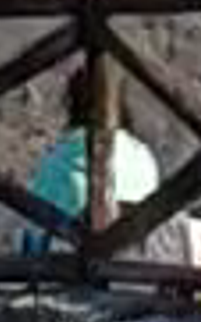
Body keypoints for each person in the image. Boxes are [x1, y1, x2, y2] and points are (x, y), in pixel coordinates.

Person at [22, 64, 162, 258]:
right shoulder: (143, 158)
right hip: (137, 276)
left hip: (67, 277)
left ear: (72, 104)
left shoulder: (56, 163)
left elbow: (32, 239)